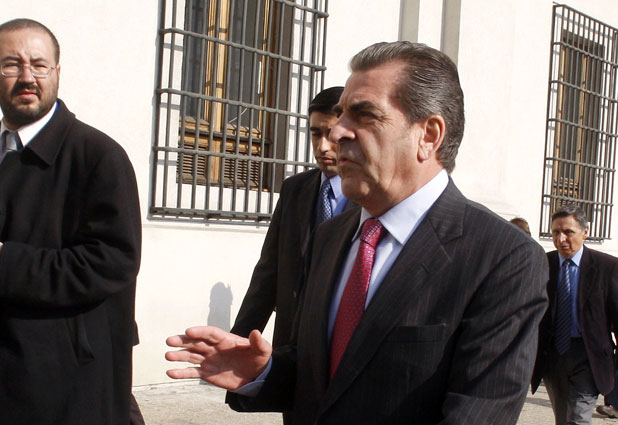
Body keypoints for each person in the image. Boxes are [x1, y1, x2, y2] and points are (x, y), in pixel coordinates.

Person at [166, 41, 549, 424]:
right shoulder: (330, 237)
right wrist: (263, 373)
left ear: (428, 135)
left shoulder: (503, 258)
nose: (337, 133)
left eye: (363, 115)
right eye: (341, 115)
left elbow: (477, 412)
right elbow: (325, 378)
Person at [0, 19, 141, 424]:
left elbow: (111, 262)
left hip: (66, 388)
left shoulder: (98, 156)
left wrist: (6, 260)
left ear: (57, 72)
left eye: (39, 65)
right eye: (11, 64)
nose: (27, 77)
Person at [231, 86, 354, 348]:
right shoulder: (294, 190)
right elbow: (268, 273)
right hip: (289, 343)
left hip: (338, 346)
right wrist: (237, 342)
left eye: (331, 135)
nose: (322, 146)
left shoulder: (372, 199)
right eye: (315, 134)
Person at [531, 205, 618, 425]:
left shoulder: (607, 267)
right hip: (552, 356)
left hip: (589, 356)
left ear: (585, 232)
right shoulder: (542, 264)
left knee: (579, 419)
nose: (561, 239)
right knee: (562, 418)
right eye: (555, 232)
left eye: (568, 232)